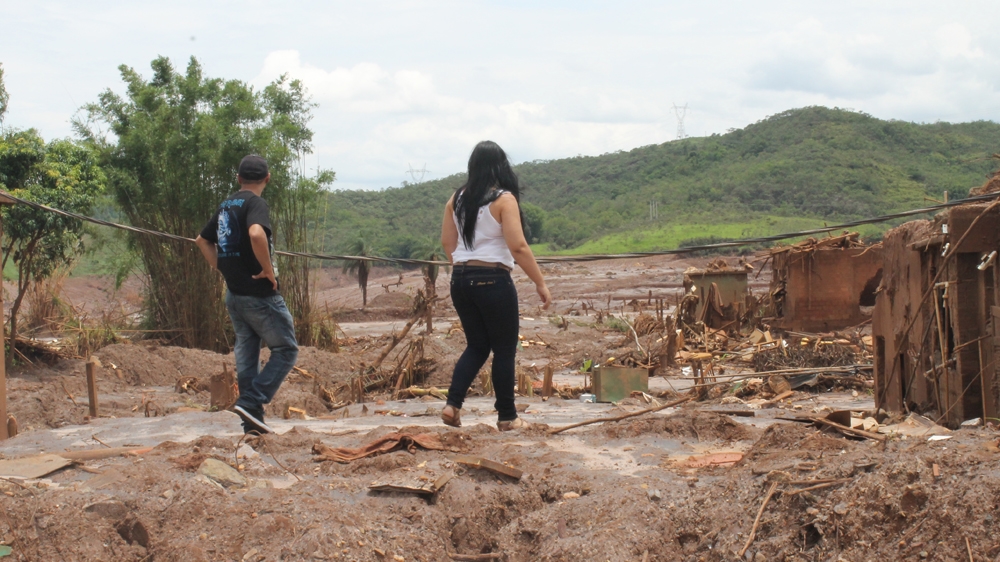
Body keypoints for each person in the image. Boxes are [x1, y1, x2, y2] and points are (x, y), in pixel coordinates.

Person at [440, 141, 551, 431]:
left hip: (460, 280)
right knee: (504, 350)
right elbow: (519, 247)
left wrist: (465, 268)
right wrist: (540, 282)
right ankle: (507, 417)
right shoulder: (504, 200)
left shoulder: (456, 199)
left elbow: (447, 244)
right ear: (501, 166)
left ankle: (452, 406)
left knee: (477, 345)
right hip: (493, 280)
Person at [195, 155, 298, 435]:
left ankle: (251, 422)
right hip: (259, 295)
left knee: (247, 353)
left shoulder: (227, 205)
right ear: (268, 178)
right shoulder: (256, 203)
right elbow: (255, 233)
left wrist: (221, 267)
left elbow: (202, 240)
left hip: (235, 294)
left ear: (238, 178)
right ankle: (252, 400)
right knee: (286, 349)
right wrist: (268, 270)